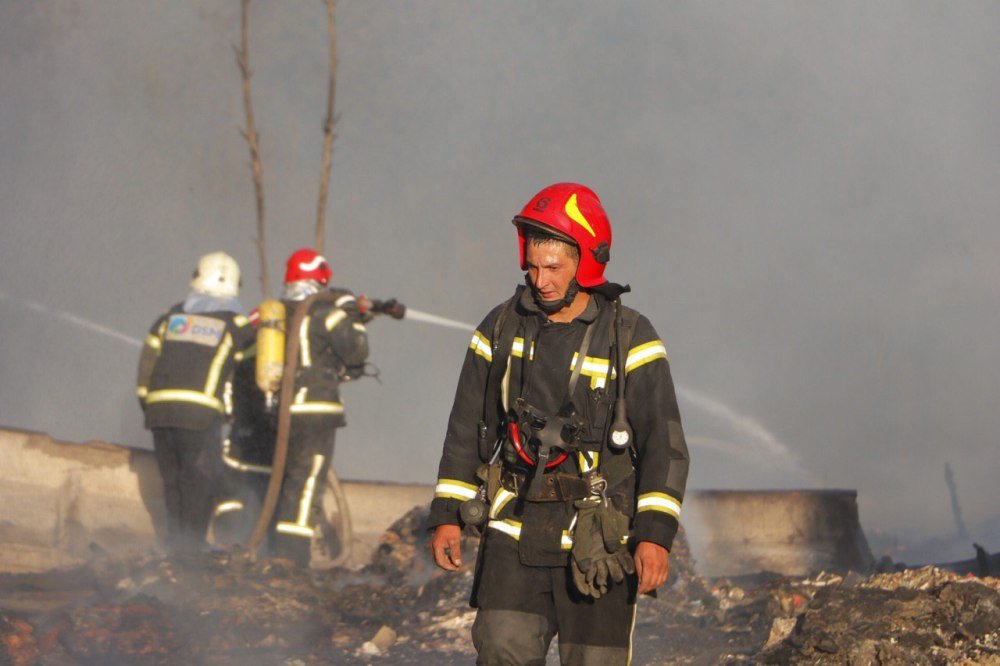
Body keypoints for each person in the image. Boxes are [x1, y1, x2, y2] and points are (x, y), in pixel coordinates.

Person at [428, 183, 690, 664]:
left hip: (601, 545)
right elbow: (467, 426)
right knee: (500, 649)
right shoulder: (501, 326)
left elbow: (665, 446)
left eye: (553, 268)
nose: (540, 279)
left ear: (587, 262)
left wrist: (655, 534)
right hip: (514, 535)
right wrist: (448, 513)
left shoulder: (629, 336)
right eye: (532, 265)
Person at [136, 251, 255, 552]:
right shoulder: (237, 324)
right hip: (200, 415)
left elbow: (146, 367)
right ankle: (191, 553)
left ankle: (174, 548)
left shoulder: (170, 316)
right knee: (198, 481)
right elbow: (249, 371)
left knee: (172, 480)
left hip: (160, 412)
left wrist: (149, 404)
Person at [268, 247, 369, 566]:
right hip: (315, 410)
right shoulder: (328, 314)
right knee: (307, 479)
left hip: (280, 413)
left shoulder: (275, 314)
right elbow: (356, 351)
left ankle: (273, 550)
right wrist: (353, 312)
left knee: (285, 480)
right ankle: (291, 559)